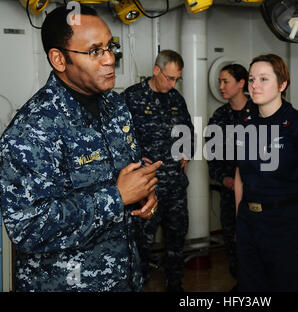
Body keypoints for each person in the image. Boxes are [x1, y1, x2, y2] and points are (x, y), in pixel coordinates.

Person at [0, 5, 161, 292]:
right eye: (95, 51)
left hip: (125, 278)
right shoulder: (32, 129)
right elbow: (28, 229)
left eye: (111, 47)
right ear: (59, 59)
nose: (110, 59)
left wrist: (143, 194)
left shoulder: (116, 107)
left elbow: (125, 174)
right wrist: (118, 196)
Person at [234, 54, 298, 292]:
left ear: (282, 85)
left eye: (264, 79)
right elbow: (239, 175)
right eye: (252, 79)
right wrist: (240, 219)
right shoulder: (244, 124)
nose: (255, 85)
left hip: (287, 224)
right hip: (250, 222)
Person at [122, 50, 194, 292]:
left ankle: (175, 284)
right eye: (169, 78)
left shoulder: (176, 99)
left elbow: (188, 131)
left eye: (177, 79)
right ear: (156, 71)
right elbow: (119, 139)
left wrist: (187, 150)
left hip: (174, 187)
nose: (173, 84)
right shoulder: (132, 97)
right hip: (145, 187)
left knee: (176, 238)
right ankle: (138, 285)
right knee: (142, 243)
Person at [206, 64, 254, 289]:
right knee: (232, 242)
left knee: (256, 241)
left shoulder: (259, 112)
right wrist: (225, 179)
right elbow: (212, 157)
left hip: (257, 193)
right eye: (220, 81)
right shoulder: (219, 116)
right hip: (229, 194)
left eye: (226, 81)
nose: (221, 86)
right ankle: (240, 283)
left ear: (241, 83)